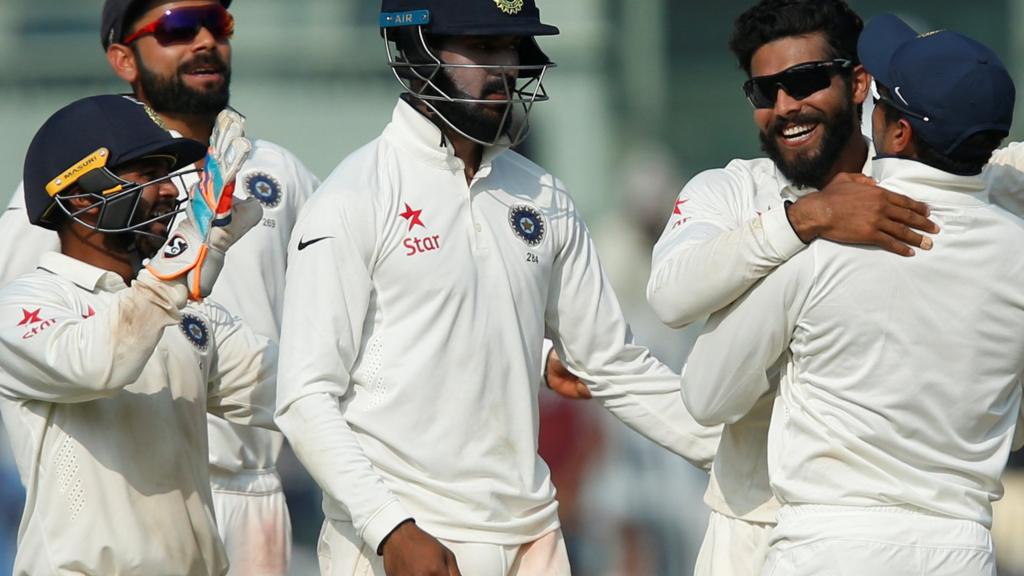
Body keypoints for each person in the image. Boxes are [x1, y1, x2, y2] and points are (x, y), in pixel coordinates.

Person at [274, 1, 721, 575]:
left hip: (534, 538)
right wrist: (389, 528)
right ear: (414, 49)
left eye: (510, 49)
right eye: (482, 48)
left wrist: (731, 453)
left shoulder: (544, 197)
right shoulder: (351, 199)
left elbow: (614, 363)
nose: (503, 70)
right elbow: (305, 396)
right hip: (408, 541)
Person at [681, 15, 1024, 575]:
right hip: (961, 549)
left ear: (898, 133)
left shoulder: (821, 243)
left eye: (880, 101)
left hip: (827, 544)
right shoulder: (1018, 252)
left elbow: (704, 395)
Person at [0, 1, 320, 572]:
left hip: (238, 511)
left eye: (217, 25)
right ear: (79, 199)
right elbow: (97, 360)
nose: (173, 193)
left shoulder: (196, 312)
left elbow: (304, 385)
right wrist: (188, 259)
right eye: (147, 176)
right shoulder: (28, 296)